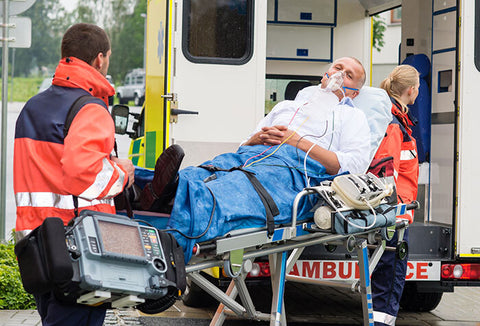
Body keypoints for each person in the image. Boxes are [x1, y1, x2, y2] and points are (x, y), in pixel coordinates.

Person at [163, 57, 371, 262]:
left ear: (355, 92)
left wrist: (297, 142)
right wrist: (256, 138)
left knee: (234, 186)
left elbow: (353, 165)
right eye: (338, 67)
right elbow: (244, 144)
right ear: (326, 72)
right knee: (208, 170)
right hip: (251, 155)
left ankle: (178, 213)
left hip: (292, 170)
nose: (340, 74)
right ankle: (157, 190)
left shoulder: (351, 116)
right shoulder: (286, 106)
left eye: (349, 75)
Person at [14, 23, 135, 326]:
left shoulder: (32, 108)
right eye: (108, 57)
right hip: (79, 249)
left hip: (37, 248)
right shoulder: (91, 109)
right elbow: (82, 172)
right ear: (99, 59)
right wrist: (123, 173)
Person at [370, 64, 420, 326]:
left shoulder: (395, 118)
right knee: (388, 281)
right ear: (411, 90)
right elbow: (384, 171)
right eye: (418, 88)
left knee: (385, 279)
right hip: (393, 216)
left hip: (394, 213)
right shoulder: (394, 123)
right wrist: (392, 215)